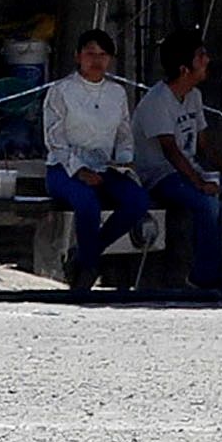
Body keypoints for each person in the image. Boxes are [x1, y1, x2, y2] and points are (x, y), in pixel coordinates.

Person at [139, 41, 222, 297]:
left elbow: (205, 145)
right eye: (201, 56)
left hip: (190, 170)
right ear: (185, 69)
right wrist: (199, 183)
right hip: (161, 175)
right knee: (207, 203)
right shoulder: (157, 101)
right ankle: (204, 278)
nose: (207, 60)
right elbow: (170, 151)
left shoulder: (194, 96)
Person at [40, 31, 147, 294]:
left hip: (105, 165)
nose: (96, 60)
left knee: (138, 201)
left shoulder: (116, 93)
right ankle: (89, 267)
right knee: (87, 203)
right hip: (64, 167)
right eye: (90, 53)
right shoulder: (61, 91)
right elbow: (55, 139)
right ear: (78, 56)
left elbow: (124, 135)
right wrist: (79, 170)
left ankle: (87, 252)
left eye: (102, 55)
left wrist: (123, 162)